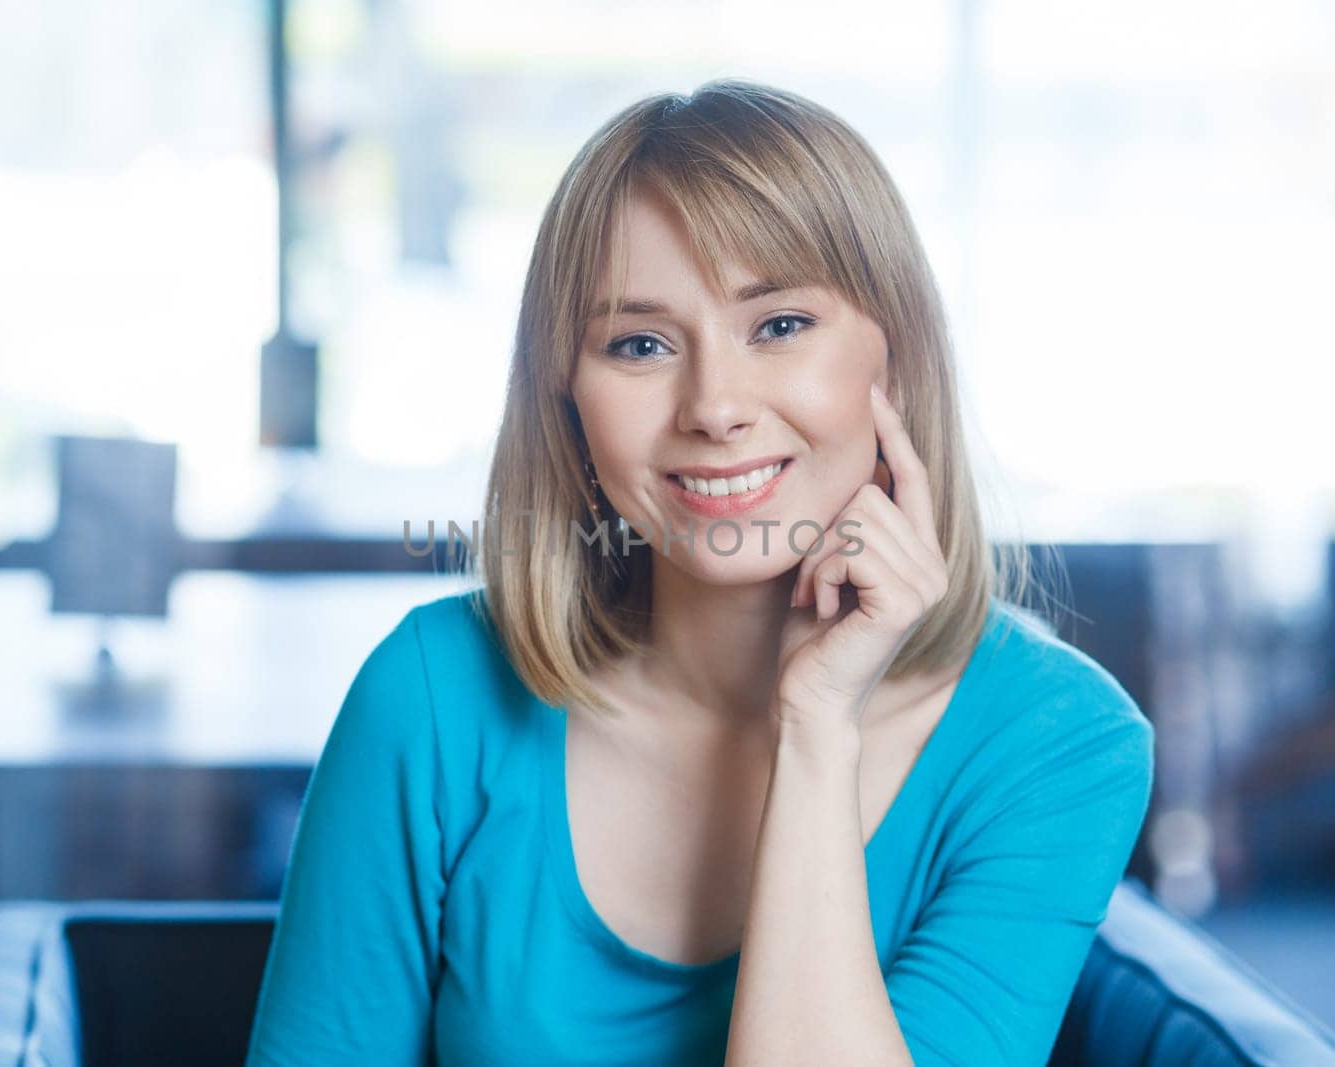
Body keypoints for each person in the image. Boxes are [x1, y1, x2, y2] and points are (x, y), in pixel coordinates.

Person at [244, 79, 1154, 1066]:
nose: (715, 405)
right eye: (639, 344)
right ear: (567, 405)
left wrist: (814, 729)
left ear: (893, 356)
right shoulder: (432, 697)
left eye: (777, 325)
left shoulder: (1058, 741)